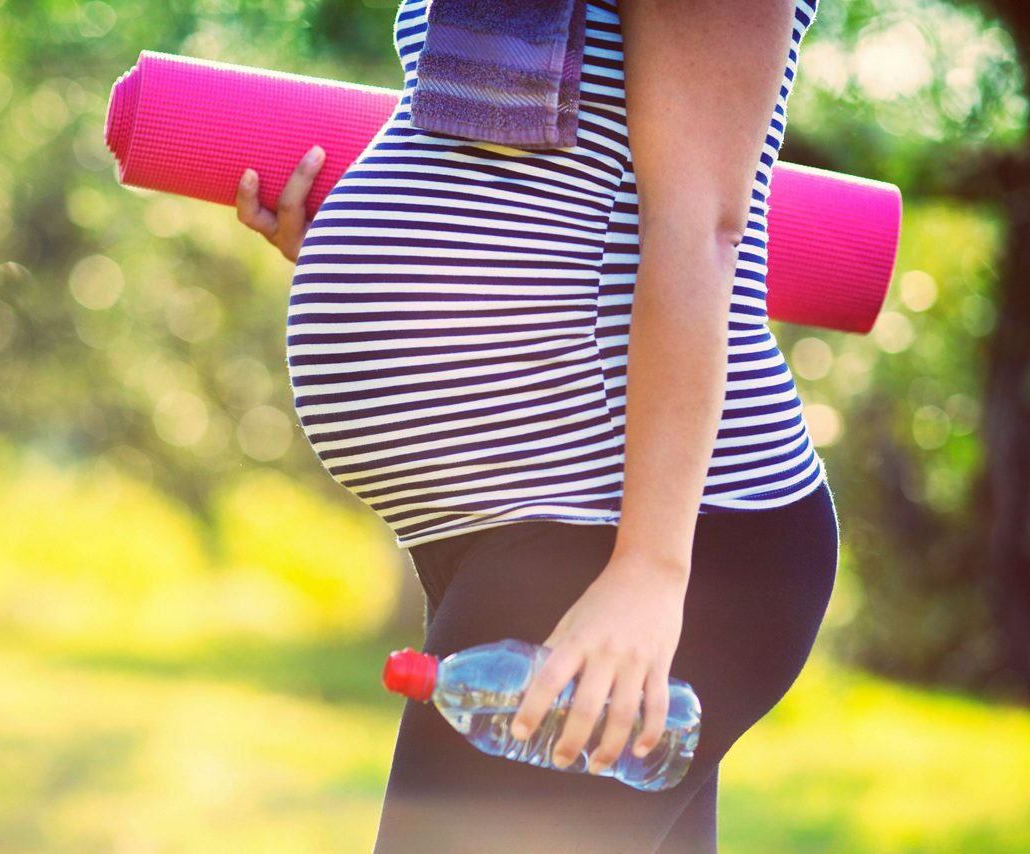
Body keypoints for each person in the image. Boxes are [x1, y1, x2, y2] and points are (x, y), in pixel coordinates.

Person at [237, 0, 837, 850]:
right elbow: (545, 180)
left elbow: (699, 228)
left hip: (622, 534)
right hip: (534, 529)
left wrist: (650, 571)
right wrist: (367, 244)